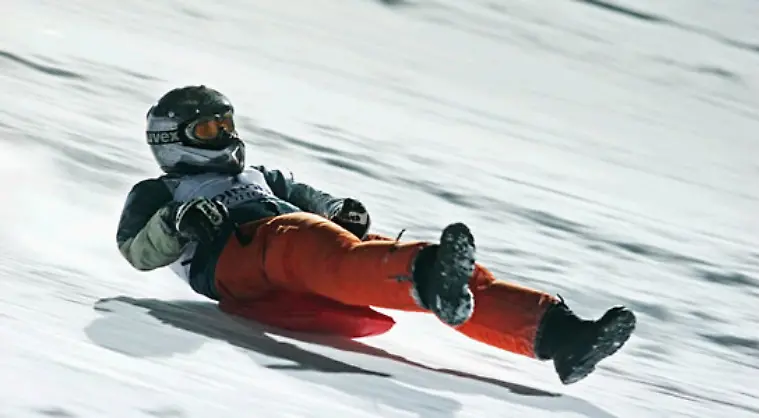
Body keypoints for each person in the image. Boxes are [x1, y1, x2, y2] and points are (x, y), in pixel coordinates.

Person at [116, 85, 636, 385]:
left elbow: (307, 196)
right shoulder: (159, 191)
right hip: (237, 259)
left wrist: (338, 210)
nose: (226, 136)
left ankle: (562, 337)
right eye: (209, 130)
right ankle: (424, 277)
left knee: (376, 252)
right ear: (171, 141)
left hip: (295, 247)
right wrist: (177, 222)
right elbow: (136, 250)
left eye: (227, 123)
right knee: (306, 240)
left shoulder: (260, 176)